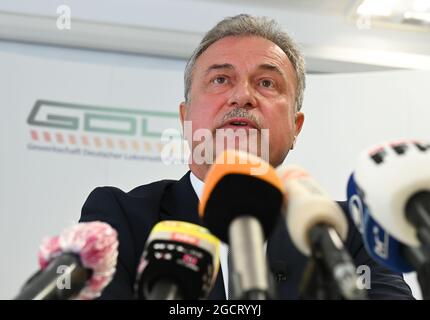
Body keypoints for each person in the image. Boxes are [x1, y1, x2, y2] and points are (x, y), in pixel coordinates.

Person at [80, 14, 413, 299]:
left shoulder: (347, 232)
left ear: (295, 127)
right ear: (185, 119)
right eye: (220, 79)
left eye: (266, 82)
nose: (242, 96)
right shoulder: (121, 218)